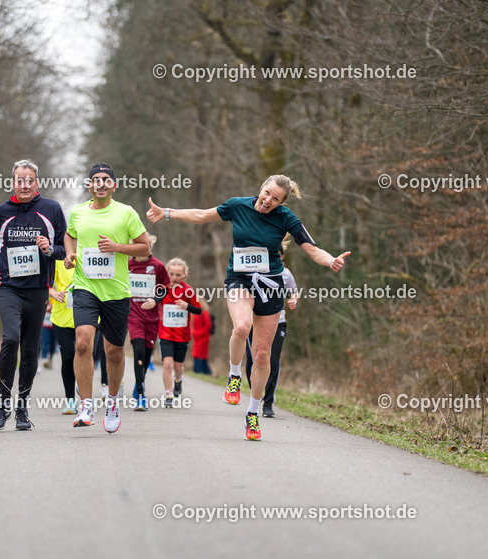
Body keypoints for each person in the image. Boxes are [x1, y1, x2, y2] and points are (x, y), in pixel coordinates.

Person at [147, 174, 349, 440]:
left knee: (263, 355)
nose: (268, 201)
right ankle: (233, 375)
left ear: (281, 202)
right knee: (242, 327)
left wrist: (330, 260)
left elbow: (311, 249)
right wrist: (167, 213)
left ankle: (253, 414)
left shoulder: (286, 218)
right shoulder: (238, 206)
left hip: (271, 286)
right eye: (267, 193)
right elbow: (201, 215)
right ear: (261, 188)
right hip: (239, 279)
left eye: (275, 199)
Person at [0, 159, 66, 431]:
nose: (25, 185)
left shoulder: (51, 210)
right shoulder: (0, 212)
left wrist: (49, 249)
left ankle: (22, 409)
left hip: (39, 289)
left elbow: (65, 251)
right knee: (11, 337)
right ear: (12, 183)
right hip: (8, 288)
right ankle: (3, 404)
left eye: (29, 180)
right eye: (20, 180)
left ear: (37, 182)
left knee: (30, 349)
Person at [65, 162, 150, 432]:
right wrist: (69, 253)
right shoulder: (78, 212)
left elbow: (144, 248)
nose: (101, 184)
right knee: (82, 343)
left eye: (106, 180)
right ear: (89, 185)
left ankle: (112, 401)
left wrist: (116, 247)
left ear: (114, 185)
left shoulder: (126, 213)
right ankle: (86, 404)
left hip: (116, 292)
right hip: (85, 287)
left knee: (114, 352)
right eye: (96, 180)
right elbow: (69, 236)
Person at [245, 243, 298, 417]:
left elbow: (293, 292)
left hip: (278, 322)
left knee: (272, 361)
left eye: (278, 255)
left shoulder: (285, 273)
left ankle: (268, 403)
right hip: (254, 321)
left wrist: (293, 300)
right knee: (253, 362)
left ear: (281, 257)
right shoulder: (254, 271)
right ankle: (256, 395)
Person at [127, 233, 170, 411]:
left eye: (147, 246)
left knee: (145, 355)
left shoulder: (158, 266)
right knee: (137, 351)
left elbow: (165, 289)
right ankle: (141, 394)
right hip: (133, 315)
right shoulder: (126, 264)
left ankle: (140, 382)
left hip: (151, 318)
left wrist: (155, 299)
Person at [157, 257, 202, 407]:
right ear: (167, 273)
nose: (174, 278)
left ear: (184, 275)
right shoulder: (163, 289)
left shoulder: (187, 290)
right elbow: (154, 301)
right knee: (168, 363)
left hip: (182, 335)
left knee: (178, 365)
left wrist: (187, 306)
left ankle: (178, 380)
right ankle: (168, 393)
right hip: (165, 333)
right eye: (171, 274)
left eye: (178, 275)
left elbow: (199, 310)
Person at [50, 257, 78, 415]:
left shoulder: (88, 254)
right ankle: (70, 400)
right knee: (67, 356)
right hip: (62, 316)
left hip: (87, 314)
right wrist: (53, 293)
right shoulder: (59, 259)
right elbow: (45, 283)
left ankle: (85, 395)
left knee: (85, 354)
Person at [191, 297, 213, 375]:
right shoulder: (195, 313)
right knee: (197, 352)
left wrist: (198, 333)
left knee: (200, 353)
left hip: (203, 337)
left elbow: (208, 325)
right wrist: (193, 332)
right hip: (197, 337)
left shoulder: (204, 313)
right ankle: (201, 370)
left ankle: (201, 369)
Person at [40, 301, 56, 368]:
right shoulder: (46, 297)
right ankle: (44, 358)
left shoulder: (57, 297)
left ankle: (50, 358)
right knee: (46, 340)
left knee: (53, 343)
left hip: (55, 325)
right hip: (45, 325)